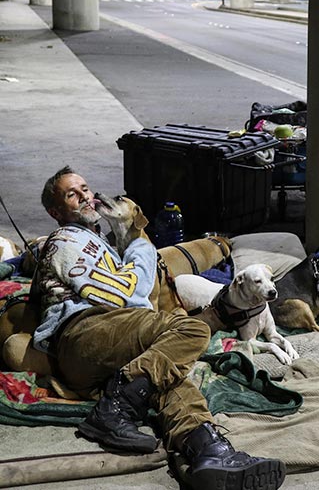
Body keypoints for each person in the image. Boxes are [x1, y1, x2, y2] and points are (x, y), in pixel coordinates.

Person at [31, 166, 286, 490]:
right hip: (82, 330)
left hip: (101, 352)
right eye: (72, 194)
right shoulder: (65, 238)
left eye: (85, 188)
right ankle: (114, 408)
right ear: (55, 212)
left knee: (167, 375)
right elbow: (122, 294)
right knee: (189, 329)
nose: (85, 195)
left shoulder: (99, 243)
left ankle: (210, 452)